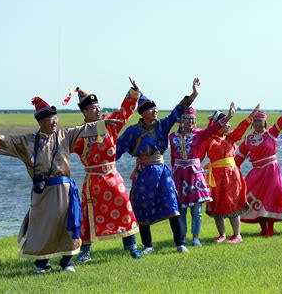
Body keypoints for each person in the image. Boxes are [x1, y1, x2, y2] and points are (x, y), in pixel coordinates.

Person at [0, 96, 109, 274]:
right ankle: (41, 265)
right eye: (49, 119)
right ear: (41, 121)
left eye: (55, 118)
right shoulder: (27, 141)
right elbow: (7, 141)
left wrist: (102, 122)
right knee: (41, 227)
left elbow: (87, 129)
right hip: (42, 191)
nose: (54, 122)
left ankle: (67, 262)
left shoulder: (65, 135)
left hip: (64, 189)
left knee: (66, 225)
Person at [116, 78, 200, 254]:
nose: (156, 111)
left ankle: (180, 243)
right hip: (144, 172)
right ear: (144, 112)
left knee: (172, 205)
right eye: (152, 108)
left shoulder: (162, 125)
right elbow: (116, 149)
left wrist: (193, 94)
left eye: (156, 108)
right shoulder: (132, 131)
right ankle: (147, 245)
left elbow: (178, 111)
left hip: (162, 171)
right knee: (142, 206)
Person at [68, 78, 142, 263]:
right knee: (88, 215)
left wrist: (133, 93)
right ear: (85, 111)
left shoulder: (107, 124)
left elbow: (124, 113)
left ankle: (132, 248)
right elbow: (61, 148)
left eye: (98, 106)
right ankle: (85, 252)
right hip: (93, 180)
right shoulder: (79, 132)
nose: (98, 109)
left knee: (125, 206)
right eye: (93, 108)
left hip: (112, 176)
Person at [169, 102, 235, 247]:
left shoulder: (199, 134)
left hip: (194, 173)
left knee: (196, 210)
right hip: (179, 174)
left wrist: (229, 116)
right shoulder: (172, 136)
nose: (190, 121)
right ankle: (183, 238)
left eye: (192, 118)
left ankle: (196, 238)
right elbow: (173, 157)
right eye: (187, 118)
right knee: (181, 210)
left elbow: (215, 127)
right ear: (181, 120)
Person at [235, 105, 282, 237]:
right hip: (256, 172)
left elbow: (281, 121)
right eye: (255, 121)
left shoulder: (271, 134)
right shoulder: (248, 139)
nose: (257, 124)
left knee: (270, 198)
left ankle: (270, 228)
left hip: (271, 171)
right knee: (253, 197)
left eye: (259, 121)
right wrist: (227, 168)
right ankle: (263, 228)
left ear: (264, 122)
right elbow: (238, 159)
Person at [199, 107, 257, 244]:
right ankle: (222, 235)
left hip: (232, 176)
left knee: (233, 203)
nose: (229, 125)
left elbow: (241, 129)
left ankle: (237, 235)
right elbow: (199, 157)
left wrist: (250, 117)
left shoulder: (231, 137)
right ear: (217, 125)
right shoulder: (208, 139)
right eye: (225, 123)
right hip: (216, 177)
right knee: (217, 203)